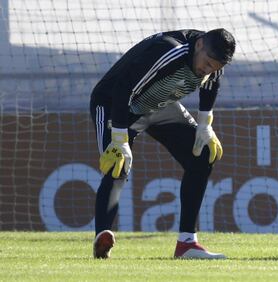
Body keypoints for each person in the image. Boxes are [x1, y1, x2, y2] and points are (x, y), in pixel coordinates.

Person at [90, 28, 236, 259]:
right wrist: (119, 137)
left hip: (158, 104)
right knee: (117, 164)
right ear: (199, 45)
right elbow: (123, 87)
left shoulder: (213, 61)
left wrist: (204, 124)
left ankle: (187, 244)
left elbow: (211, 84)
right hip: (114, 104)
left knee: (203, 154)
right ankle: (102, 238)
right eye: (207, 64)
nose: (207, 71)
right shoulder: (170, 51)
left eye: (214, 68)